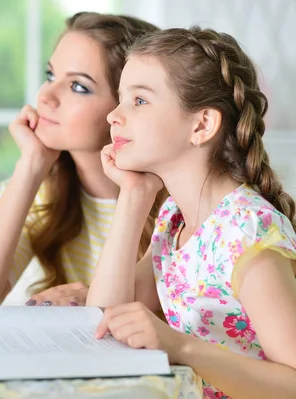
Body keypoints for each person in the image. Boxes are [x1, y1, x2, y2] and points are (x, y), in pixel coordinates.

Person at [88, 26, 296, 398]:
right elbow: (104, 315)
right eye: (120, 99)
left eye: (139, 101)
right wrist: (134, 194)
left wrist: (181, 348)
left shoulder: (246, 233)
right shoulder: (175, 220)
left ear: (201, 125)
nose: (113, 116)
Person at [0, 12, 163, 306]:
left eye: (78, 86)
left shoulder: (174, 200)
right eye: (50, 75)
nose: (46, 96)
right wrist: (32, 165)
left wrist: (93, 297)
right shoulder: (45, 191)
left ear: (125, 107)